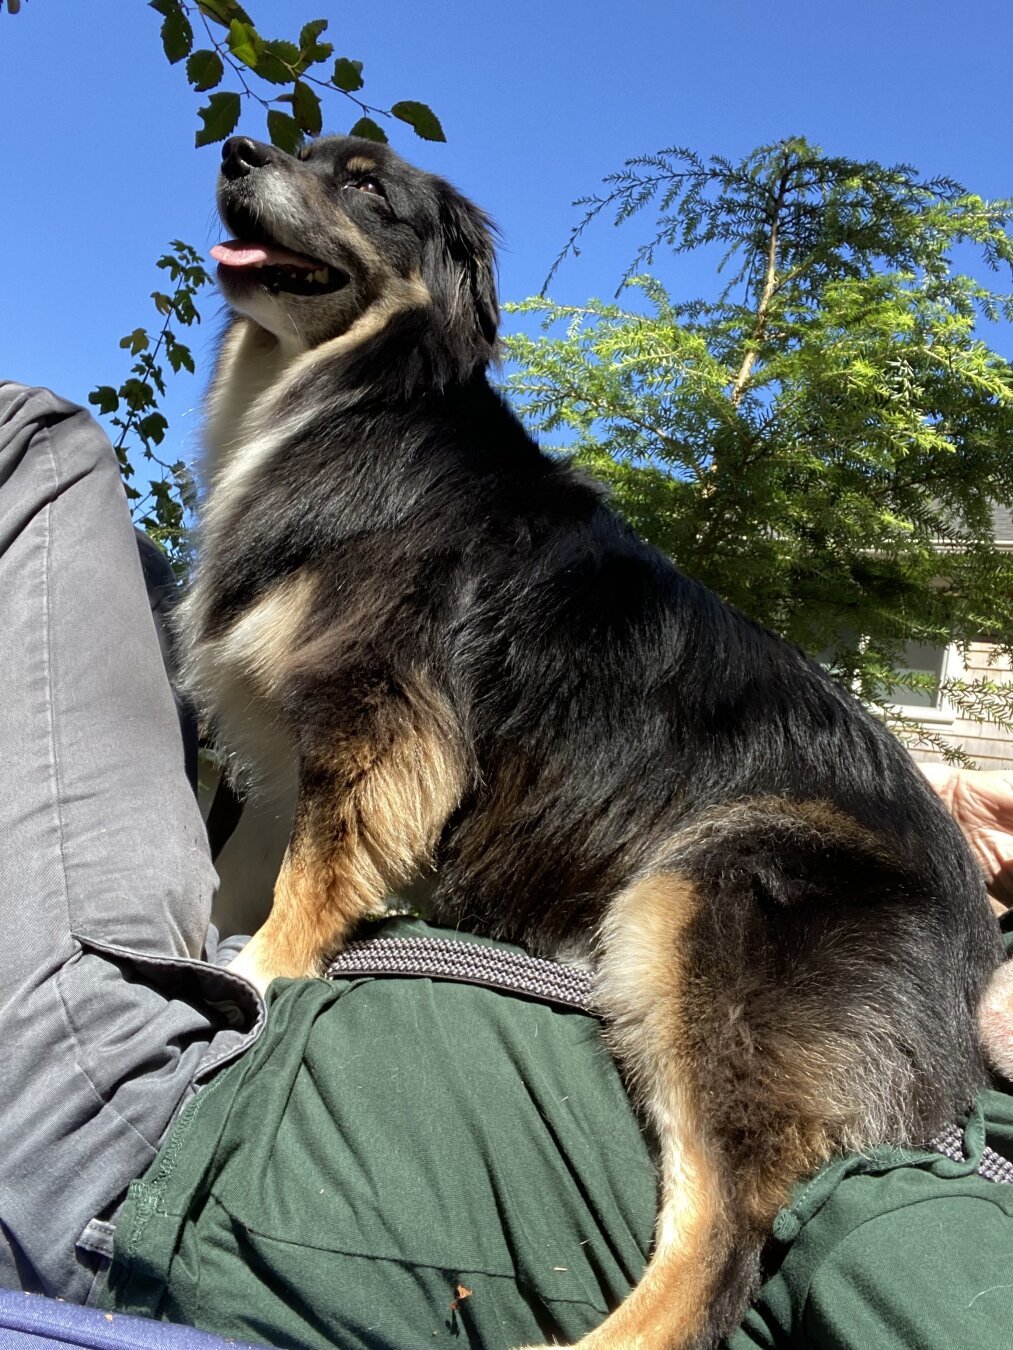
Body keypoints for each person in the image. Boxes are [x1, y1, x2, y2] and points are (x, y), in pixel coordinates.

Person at [2, 380, 1013, 1349]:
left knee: (33, 444)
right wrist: (911, 804)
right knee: (129, 575)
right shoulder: (909, 966)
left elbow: (909, 1267)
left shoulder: (930, 1225)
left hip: (156, 1119)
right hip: (216, 1037)